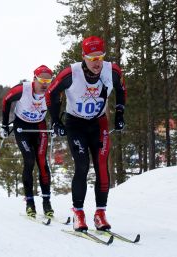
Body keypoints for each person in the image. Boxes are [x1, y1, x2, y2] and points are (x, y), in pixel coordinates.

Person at [46, 36, 127, 231]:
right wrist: (56, 120)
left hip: (98, 123)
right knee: (82, 166)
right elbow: (50, 93)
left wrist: (120, 112)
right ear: (83, 56)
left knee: (102, 166)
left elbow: (121, 88)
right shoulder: (70, 73)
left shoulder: (112, 71)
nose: (96, 62)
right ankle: (78, 213)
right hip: (75, 124)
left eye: (100, 57)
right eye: (92, 57)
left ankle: (100, 214)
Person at [0, 65, 54, 218]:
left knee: (42, 162)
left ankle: (47, 203)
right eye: (42, 80)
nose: (45, 84)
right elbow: (6, 101)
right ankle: (30, 203)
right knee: (29, 160)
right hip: (22, 126)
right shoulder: (22, 90)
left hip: (40, 126)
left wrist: (57, 124)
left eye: (48, 81)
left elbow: (57, 106)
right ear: (34, 79)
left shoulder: (51, 91)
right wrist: (4, 125)